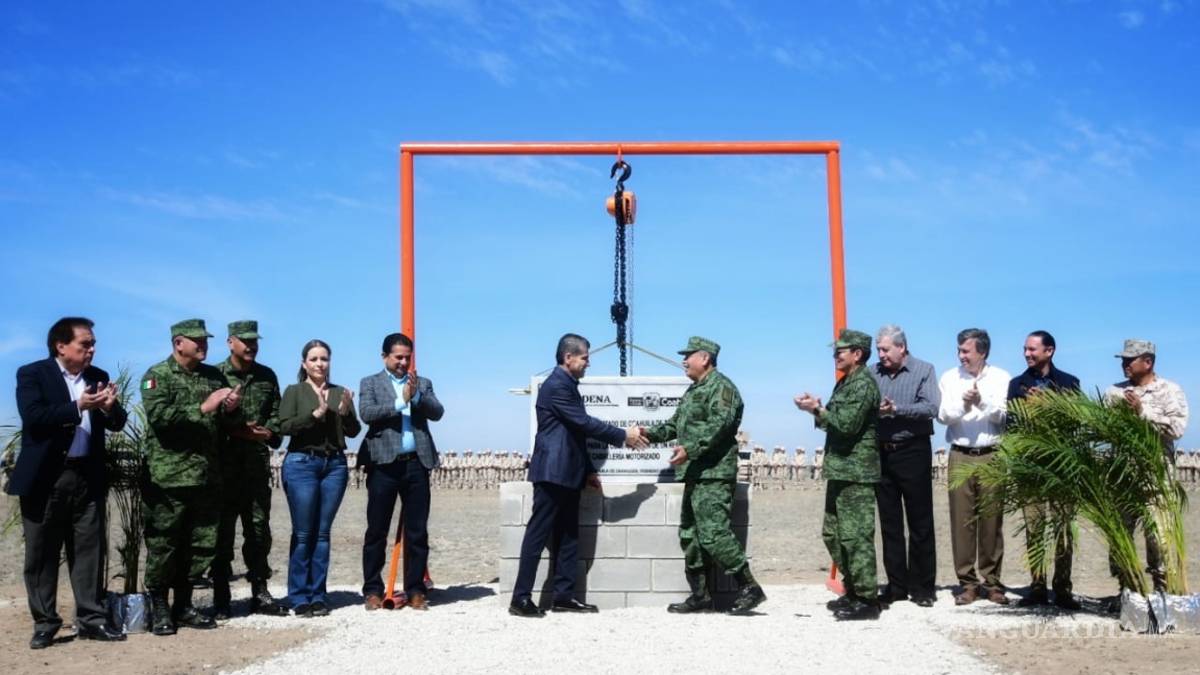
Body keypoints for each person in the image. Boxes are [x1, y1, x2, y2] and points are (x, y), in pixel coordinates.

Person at [509, 333, 647, 618]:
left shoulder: (568, 385)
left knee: (569, 536)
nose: (588, 363)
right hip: (552, 473)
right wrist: (624, 435)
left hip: (569, 473)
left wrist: (587, 470)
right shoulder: (556, 385)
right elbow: (583, 423)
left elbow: (574, 434)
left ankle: (564, 596)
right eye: (585, 358)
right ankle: (520, 598)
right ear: (568, 357)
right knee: (538, 534)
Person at [10, 317, 128, 649]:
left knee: (89, 550)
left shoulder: (97, 376)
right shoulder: (33, 374)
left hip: (87, 476)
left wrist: (109, 408)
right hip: (46, 478)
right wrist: (78, 406)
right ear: (61, 346)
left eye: (93, 344)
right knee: (42, 554)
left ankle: (91, 619)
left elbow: (117, 422)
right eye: (85, 344)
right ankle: (45, 623)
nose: (92, 350)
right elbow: (34, 417)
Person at [647, 336, 765, 615]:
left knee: (714, 534)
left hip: (714, 474)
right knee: (691, 535)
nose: (683, 361)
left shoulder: (722, 387)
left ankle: (749, 587)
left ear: (705, 358)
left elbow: (720, 425)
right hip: (695, 475)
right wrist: (646, 435)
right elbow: (674, 425)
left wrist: (689, 449)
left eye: (688, 355)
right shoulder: (693, 391)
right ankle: (700, 596)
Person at [141, 319, 243, 635]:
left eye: (205, 340)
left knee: (199, 544)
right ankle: (159, 606)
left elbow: (228, 424)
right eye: (197, 340)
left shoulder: (214, 376)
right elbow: (159, 417)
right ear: (178, 343)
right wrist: (204, 407)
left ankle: (184, 606)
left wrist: (230, 408)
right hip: (168, 477)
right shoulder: (157, 376)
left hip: (206, 476)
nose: (203, 345)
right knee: (164, 544)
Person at [795, 329, 882, 621]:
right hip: (841, 469)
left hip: (857, 472)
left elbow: (846, 425)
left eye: (840, 351)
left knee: (856, 537)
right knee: (833, 534)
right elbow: (831, 422)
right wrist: (816, 410)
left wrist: (817, 410)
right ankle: (854, 589)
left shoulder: (863, 384)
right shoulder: (846, 383)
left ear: (857, 354)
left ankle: (867, 600)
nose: (835, 356)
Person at [359, 333, 444, 611]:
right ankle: (372, 590)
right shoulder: (370, 383)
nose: (403, 363)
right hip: (384, 465)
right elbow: (367, 413)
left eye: (407, 357)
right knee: (377, 530)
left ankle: (416, 589)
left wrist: (416, 395)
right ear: (384, 356)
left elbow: (437, 412)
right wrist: (400, 402)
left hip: (416, 464)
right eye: (398, 357)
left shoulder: (422, 383)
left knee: (417, 531)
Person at [278, 339, 360, 617]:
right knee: (303, 534)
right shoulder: (294, 391)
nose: (319, 364)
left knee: (323, 534)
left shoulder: (339, 392)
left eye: (324, 359)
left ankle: (318, 595)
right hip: (302, 463)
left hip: (334, 465)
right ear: (304, 364)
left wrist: (345, 412)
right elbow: (284, 426)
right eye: (313, 359)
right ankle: (299, 596)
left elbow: (353, 431)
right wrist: (314, 415)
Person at [212, 320, 288, 619]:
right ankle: (221, 596)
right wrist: (238, 429)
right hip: (223, 468)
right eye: (245, 341)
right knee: (222, 534)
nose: (251, 346)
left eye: (254, 341)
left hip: (256, 467)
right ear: (230, 342)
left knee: (258, 532)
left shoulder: (267, 376)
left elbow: (277, 414)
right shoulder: (215, 375)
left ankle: (260, 591)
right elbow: (209, 417)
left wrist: (268, 433)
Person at [1104, 338, 1189, 594]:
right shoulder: (1114, 393)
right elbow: (1105, 429)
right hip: (1123, 479)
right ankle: (1128, 591)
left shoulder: (1169, 390)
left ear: (1148, 362)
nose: (1125, 365)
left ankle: (1163, 593)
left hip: (1156, 480)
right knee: (1120, 538)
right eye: (1123, 361)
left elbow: (1177, 429)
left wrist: (1142, 413)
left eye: (1130, 360)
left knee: (1160, 541)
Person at [1007, 330, 1082, 610]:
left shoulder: (1069, 383)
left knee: (1063, 530)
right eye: (1025, 349)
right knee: (1035, 529)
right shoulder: (1017, 385)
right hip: (1031, 469)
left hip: (1062, 470)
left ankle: (1063, 589)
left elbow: (1075, 423)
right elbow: (1011, 426)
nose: (1026, 354)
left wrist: (1049, 406)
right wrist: (1028, 411)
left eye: (1032, 349)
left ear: (1049, 351)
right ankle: (1037, 587)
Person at [937, 328, 1010, 606]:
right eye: (959, 350)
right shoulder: (949, 377)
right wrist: (965, 406)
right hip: (960, 454)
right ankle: (967, 584)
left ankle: (992, 583)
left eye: (966, 351)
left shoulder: (1001, 378)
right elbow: (943, 416)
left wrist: (982, 402)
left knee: (992, 521)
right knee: (962, 521)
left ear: (983, 352)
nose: (961, 356)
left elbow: (1005, 416)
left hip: (993, 455)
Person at [870, 325, 940, 608]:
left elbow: (931, 408)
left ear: (902, 347)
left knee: (920, 522)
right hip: (882, 453)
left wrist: (896, 409)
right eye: (878, 350)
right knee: (890, 523)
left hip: (913, 451)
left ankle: (923, 588)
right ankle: (896, 586)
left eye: (885, 349)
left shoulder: (924, 370)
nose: (881, 355)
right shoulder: (872, 374)